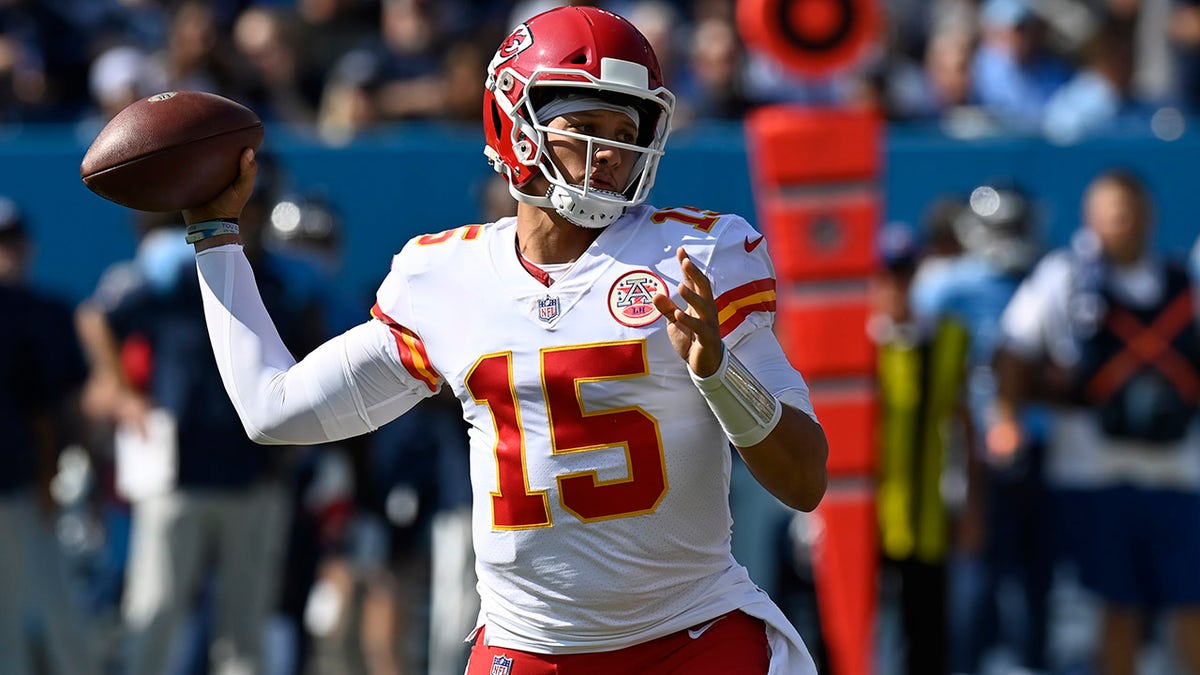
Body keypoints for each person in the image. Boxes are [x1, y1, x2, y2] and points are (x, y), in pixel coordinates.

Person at [180, 6, 828, 674]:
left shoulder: (696, 257)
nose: (610, 152)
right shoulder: (446, 279)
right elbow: (273, 409)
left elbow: (805, 478)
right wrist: (215, 239)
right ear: (514, 124)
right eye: (584, 127)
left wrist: (720, 375)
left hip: (693, 638)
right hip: (527, 650)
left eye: (624, 129)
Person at [76, 165, 328, 675]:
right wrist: (125, 395)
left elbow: (309, 358)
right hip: (180, 473)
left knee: (245, 626)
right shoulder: (174, 271)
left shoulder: (282, 282)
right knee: (155, 611)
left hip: (256, 476)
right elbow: (97, 317)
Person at [991, 168, 1200, 675]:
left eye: (1127, 212)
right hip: (1093, 472)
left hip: (1179, 473)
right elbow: (1014, 349)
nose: (1119, 223)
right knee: (1113, 606)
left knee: (1191, 605)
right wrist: (1007, 417)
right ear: (1089, 219)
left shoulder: (1183, 283)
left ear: (1148, 216)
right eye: (1108, 213)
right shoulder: (1062, 278)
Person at [0, 196, 98, 675]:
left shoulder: (44, 312)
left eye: (11, 240)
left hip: (31, 485)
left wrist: (57, 472)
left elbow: (58, 404)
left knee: (59, 617)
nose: (6, 252)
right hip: (26, 481)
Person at [870, 222, 969, 675]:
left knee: (926, 639)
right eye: (886, 274)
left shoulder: (948, 338)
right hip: (860, 518)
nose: (896, 286)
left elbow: (963, 425)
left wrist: (971, 505)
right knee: (845, 637)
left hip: (927, 514)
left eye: (905, 274)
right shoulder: (846, 344)